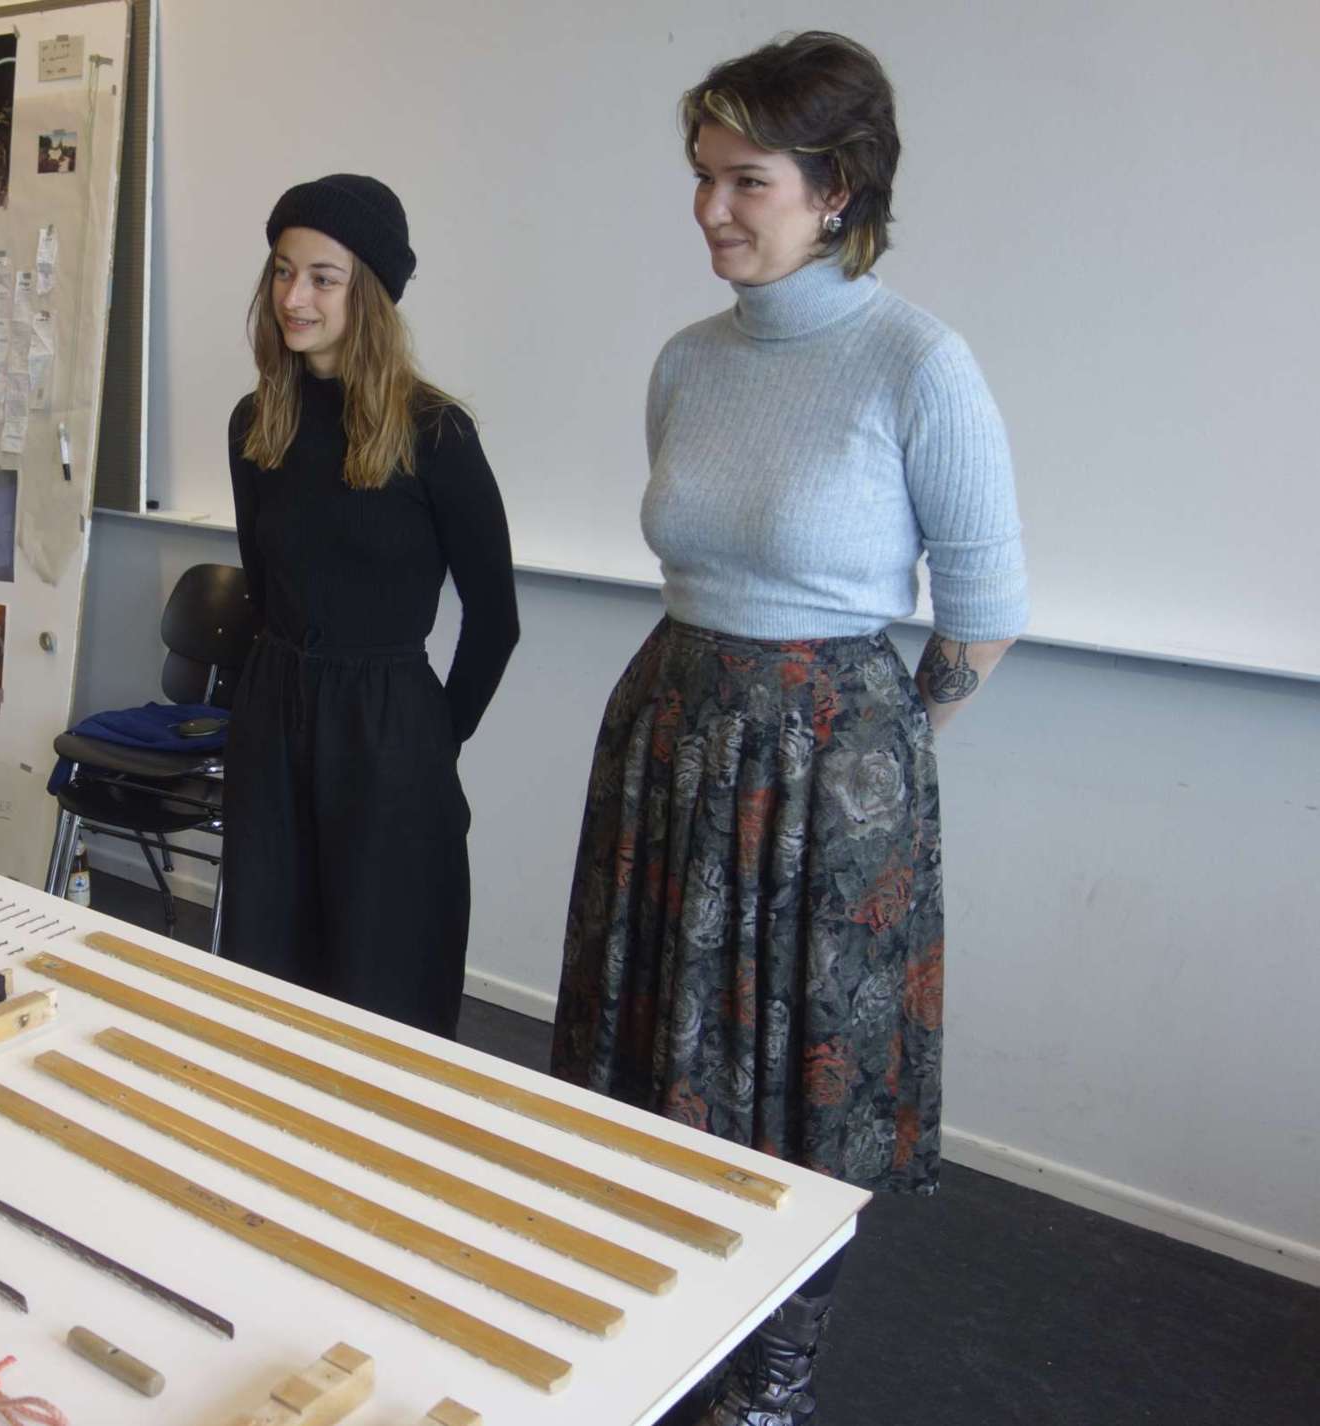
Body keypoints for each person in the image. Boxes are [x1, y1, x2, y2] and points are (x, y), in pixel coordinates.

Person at [551, 33, 1027, 1426]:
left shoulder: (916, 363)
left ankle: (774, 1379)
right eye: (700, 177)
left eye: (744, 181)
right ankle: (663, 1330)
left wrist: (869, 753)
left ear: (836, 191)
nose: (709, 209)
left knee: (793, 1090)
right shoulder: (686, 363)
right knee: (663, 1051)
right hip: (672, 737)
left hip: (825, 773)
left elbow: (985, 613)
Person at [221, 174, 520, 1039]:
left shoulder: (436, 433)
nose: (294, 297)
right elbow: (261, 587)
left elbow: (495, 620)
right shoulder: (255, 424)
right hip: (274, 719)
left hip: (390, 731)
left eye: (324, 277)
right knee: (266, 972)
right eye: (283, 271)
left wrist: (430, 741)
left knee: (385, 980)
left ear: (372, 295)